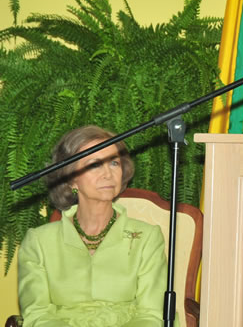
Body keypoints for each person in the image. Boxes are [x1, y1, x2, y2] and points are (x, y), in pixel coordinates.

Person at [17, 125, 167, 327]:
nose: (108, 174)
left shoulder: (148, 237)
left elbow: (151, 315)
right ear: (71, 178)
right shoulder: (38, 242)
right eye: (95, 165)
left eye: (114, 163)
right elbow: (38, 314)